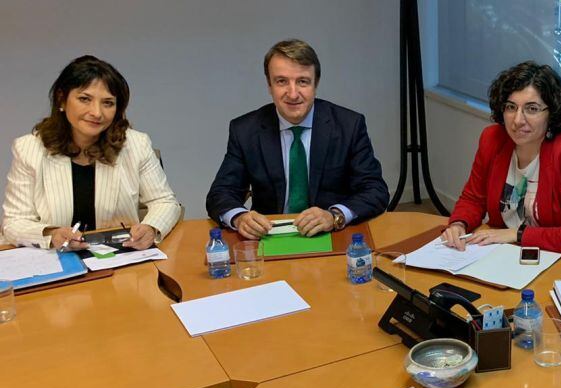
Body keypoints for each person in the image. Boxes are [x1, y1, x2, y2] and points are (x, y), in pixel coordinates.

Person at [205, 39, 388, 239]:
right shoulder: (245, 130)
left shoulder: (348, 125)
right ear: (269, 85)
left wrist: (335, 216)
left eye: (302, 81)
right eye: (282, 81)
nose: (293, 94)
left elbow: (375, 190)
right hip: (269, 236)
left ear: (315, 84)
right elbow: (221, 193)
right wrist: (239, 217)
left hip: (332, 234)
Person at [2, 55, 181, 250]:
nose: (96, 112)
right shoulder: (29, 150)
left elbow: (164, 202)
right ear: (62, 99)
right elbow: (14, 222)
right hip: (59, 262)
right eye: (85, 99)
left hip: (121, 260)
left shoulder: (136, 144)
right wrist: (51, 234)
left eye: (108, 103)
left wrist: (150, 228)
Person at [440, 61, 561, 254]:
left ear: (552, 112)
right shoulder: (492, 139)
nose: (517, 120)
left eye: (532, 109)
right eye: (511, 107)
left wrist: (518, 234)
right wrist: (458, 224)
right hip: (508, 252)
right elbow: (474, 198)